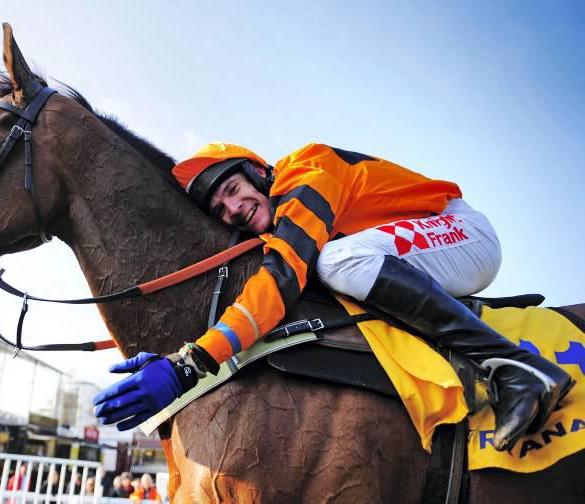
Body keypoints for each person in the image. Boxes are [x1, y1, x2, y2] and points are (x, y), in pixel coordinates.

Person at [94, 142, 574, 452]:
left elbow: (281, 278)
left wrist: (190, 365)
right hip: (413, 253)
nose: (234, 209)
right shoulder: (278, 219)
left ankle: (517, 367)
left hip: (461, 231)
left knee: (333, 263)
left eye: (234, 190)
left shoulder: (307, 169)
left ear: (259, 172)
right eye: (221, 209)